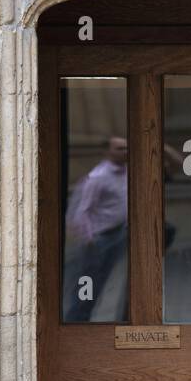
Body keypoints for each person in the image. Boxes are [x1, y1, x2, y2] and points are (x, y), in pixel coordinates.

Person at [64, 136, 129, 321]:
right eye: (120, 148)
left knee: (102, 280)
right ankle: (76, 321)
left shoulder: (126, 172)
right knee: (88, 281)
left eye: (126, 148)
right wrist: (89, 239)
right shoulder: (98, 177)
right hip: (99, 239)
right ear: (107, 152)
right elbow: (82, 211)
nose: (125, 152)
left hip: (117, 233)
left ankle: (87, 317)